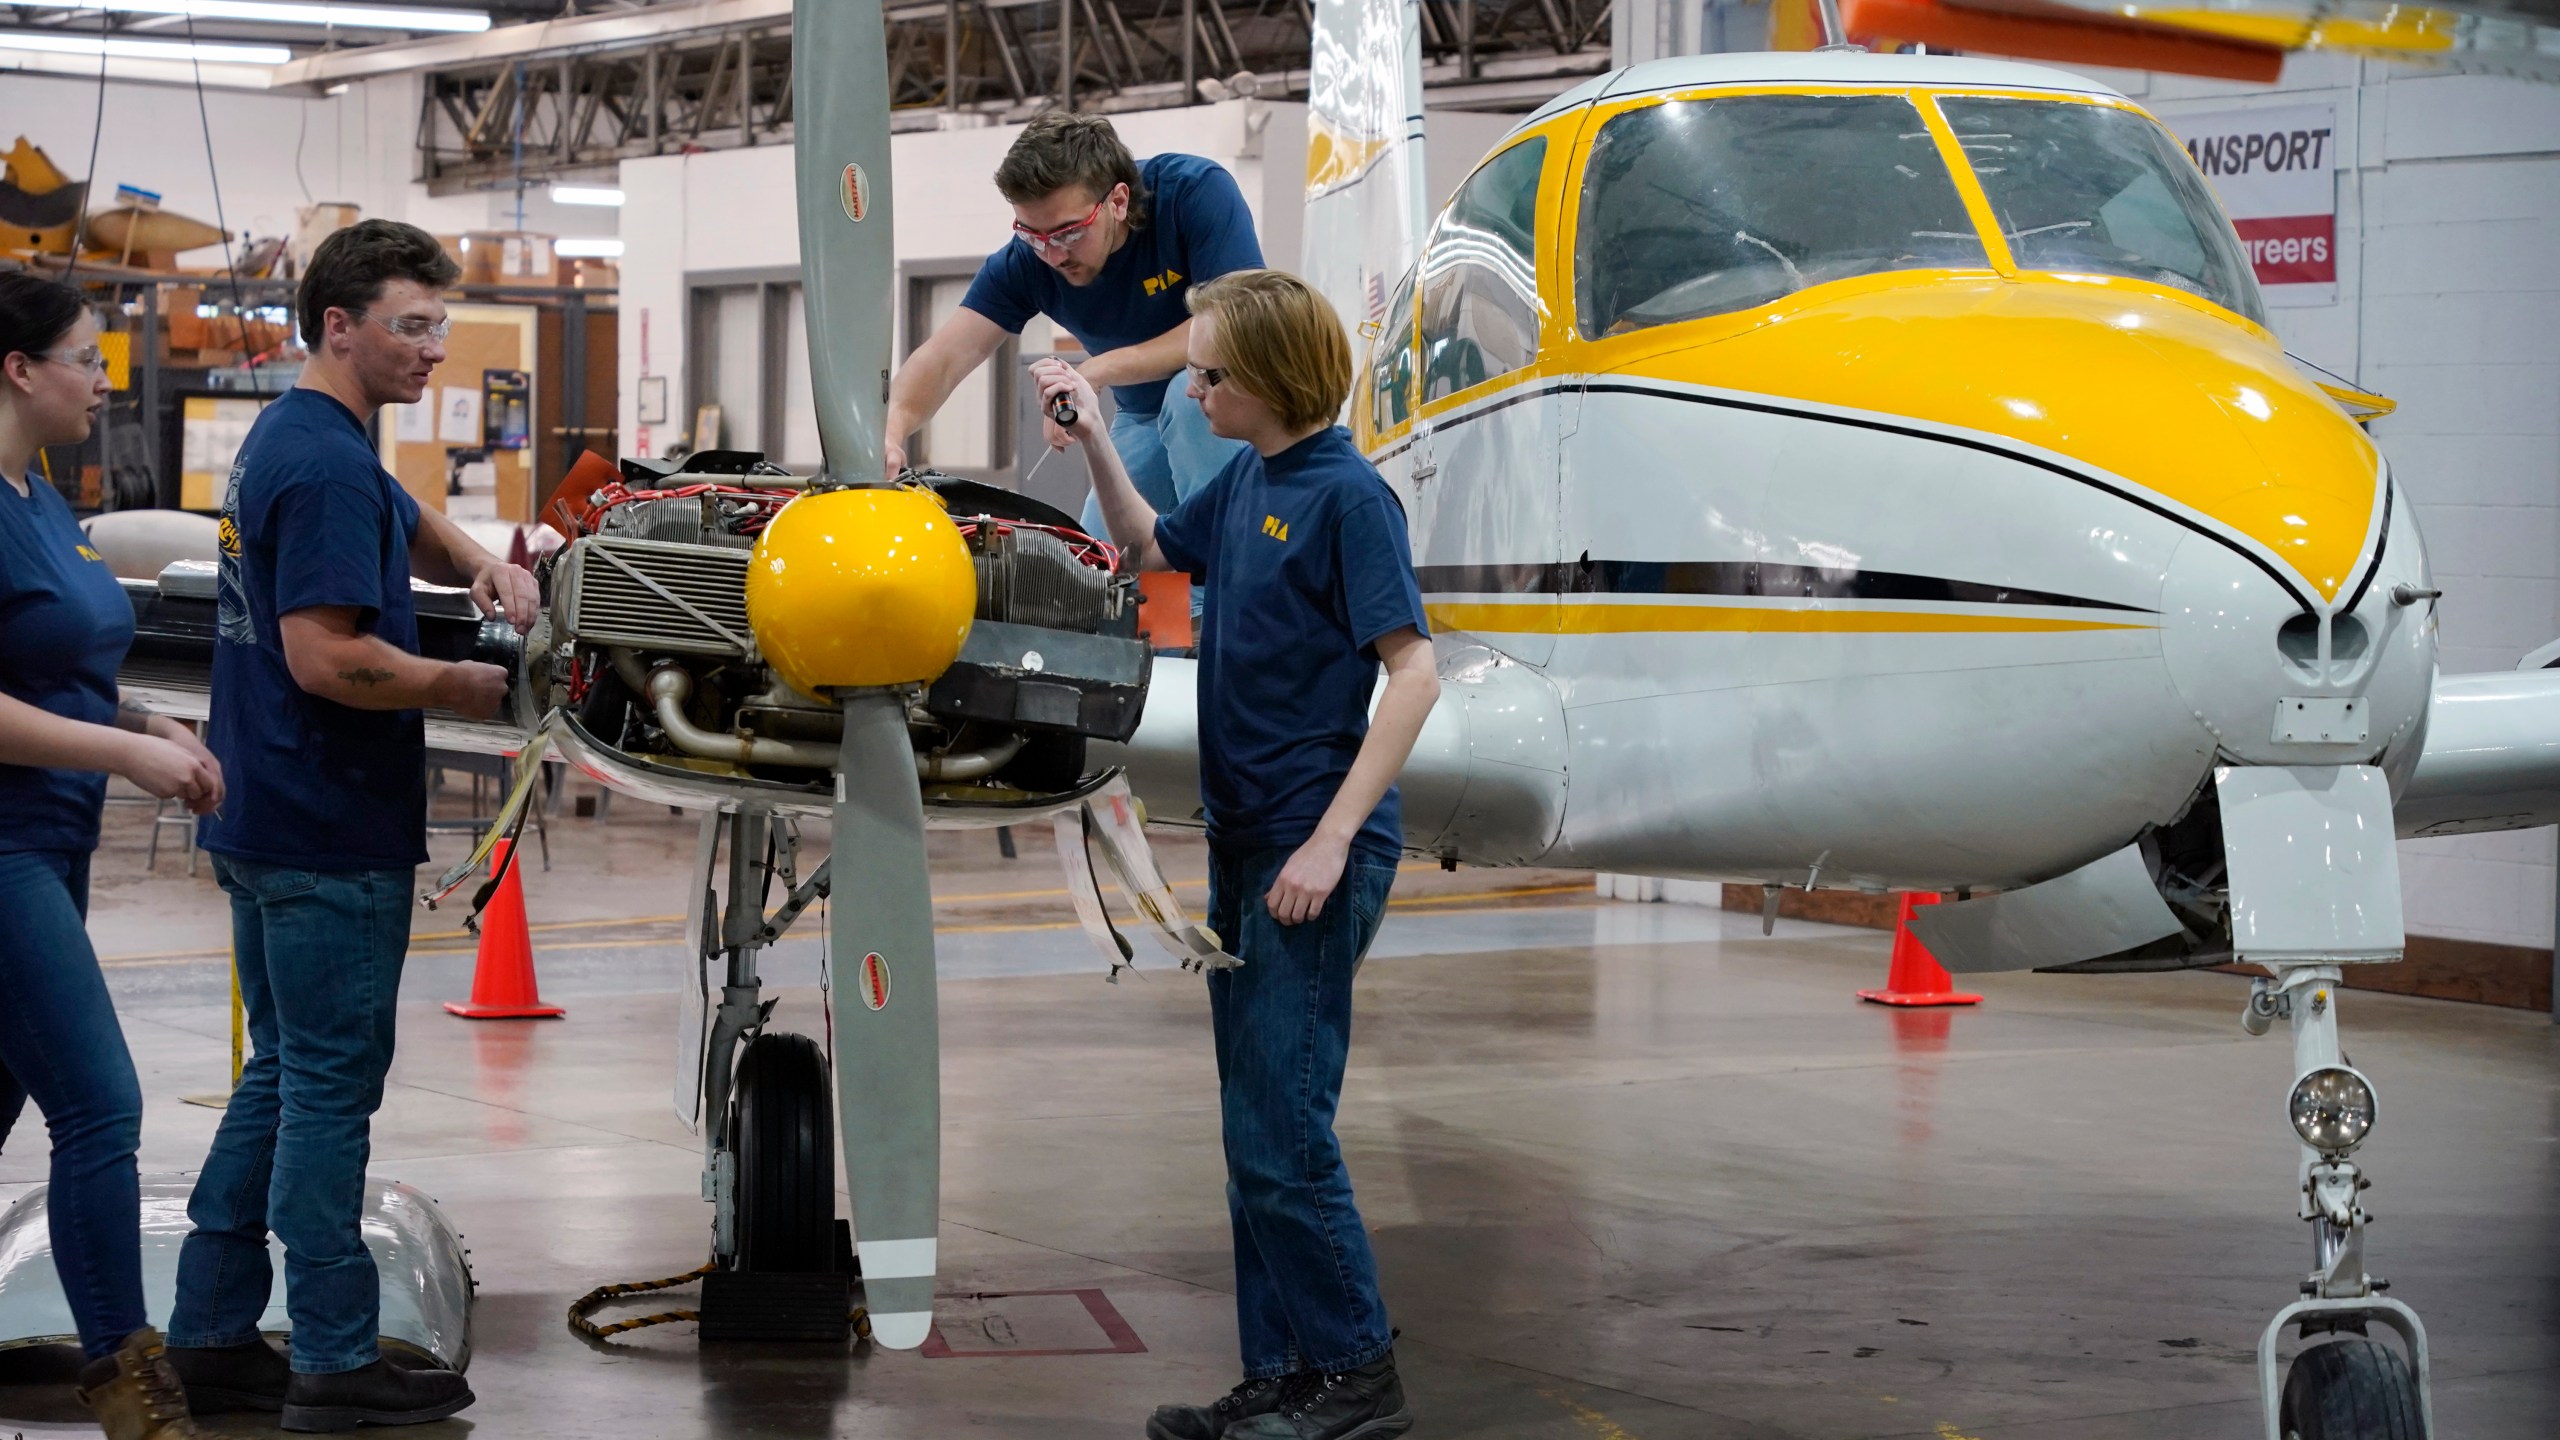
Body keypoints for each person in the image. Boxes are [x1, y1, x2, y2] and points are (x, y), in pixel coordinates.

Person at [1034, 269, 1439, 1440]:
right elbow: (1151, 542)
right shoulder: (1253, 478)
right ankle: (1283, 1374)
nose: (1194, 388)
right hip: (1246, 841)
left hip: (1308, 855)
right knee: (1252, 1134)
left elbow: (1411, 674)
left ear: (1265, 379)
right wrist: (1101, 440)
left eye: (1208, 373)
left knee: (1282, 1133)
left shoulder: (1347, 499)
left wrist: (1330, 837)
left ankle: (1355, 1378)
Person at [161, 219, 534, 1434]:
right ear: (339, 325)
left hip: (264, 811)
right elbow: (325, 660)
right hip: (327, 823)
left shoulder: (306, 430)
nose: (434, 349)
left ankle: (211, 1339)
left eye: (440, 324)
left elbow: (394, 508)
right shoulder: (321, 462)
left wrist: (471, 552)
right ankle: (331, 1352)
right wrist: (467, 688)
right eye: (410, 326)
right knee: (328, 1088)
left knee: (277, 1075)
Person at [0, 274, 228, 1440]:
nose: (106, 379)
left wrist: (150, 730)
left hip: (56, 839)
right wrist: (121, 753)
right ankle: (131, 1388)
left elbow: (64, 673)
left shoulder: (40, 498)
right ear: (19, 368)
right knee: (100, 1107)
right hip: (2, 852)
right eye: (88, 357)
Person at [884, 112, 1261, 550]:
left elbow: (1232, 322)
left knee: (1188, 394)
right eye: (1033, 235)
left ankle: (1226, 587)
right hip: (1143, 417)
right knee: (1096, 569)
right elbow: (945, 358)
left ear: (1118, 202)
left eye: (1067, 234)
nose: (1053, 255)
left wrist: (1096, 371)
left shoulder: (1193, 193)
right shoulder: (1026, 264)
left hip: (1230, 399)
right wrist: (889, 432)